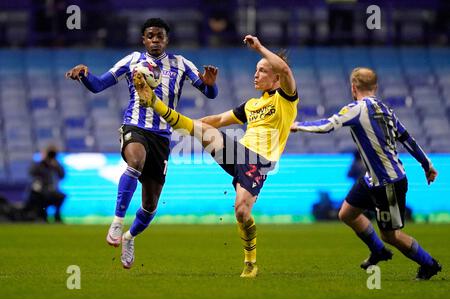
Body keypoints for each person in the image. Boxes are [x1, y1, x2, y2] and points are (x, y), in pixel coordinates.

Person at [133, 35, 298, 277]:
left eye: (262, 71)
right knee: (206, 129)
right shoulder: (252, 105)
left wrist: (260, 48)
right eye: (256, 69)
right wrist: (190, 127)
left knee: (242, 212)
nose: (256, 74)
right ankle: (155, 103)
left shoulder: (286, 99)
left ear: (276, 78)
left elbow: (284, 67)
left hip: (260, 161)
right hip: (239, 153)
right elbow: (220, 120)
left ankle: (250, 262)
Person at [65, 18, 219, 269]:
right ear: (143, 39)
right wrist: (84, 74)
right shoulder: (131, 61)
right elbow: (98, 85)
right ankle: (117, 221)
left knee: (150, 205)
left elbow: (209, 92)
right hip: (135, 126)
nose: (155, 40)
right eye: (150, 36)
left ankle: (129, 236)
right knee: (135, 160)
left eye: (160, 36)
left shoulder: (181, 64)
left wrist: (211, 85)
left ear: (166, 40)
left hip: (162, 136)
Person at [291, 67, 442, 280]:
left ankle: (429, 264)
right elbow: (407, 139)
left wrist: (298, 126)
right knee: (346, 213)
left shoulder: (356, 109)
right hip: (372, 179)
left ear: (353, 87)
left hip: (388, 183)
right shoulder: (387, 110)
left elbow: (327, 125)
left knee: (391, 235)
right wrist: (427, 165)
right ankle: (378, 251)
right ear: (375, 87)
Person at [24, 145, 66, 223]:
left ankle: (57, 216)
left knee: (61, 196)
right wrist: (43, 161)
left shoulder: (56, 165)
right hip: (40, 191)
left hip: (51, 191)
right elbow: (31, 173)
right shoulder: (39, 164)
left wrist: (56, 165)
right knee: (41, 198)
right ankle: (42, 216)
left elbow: (62, 175)